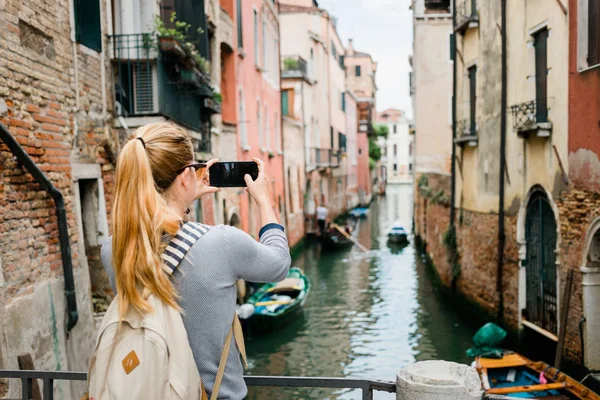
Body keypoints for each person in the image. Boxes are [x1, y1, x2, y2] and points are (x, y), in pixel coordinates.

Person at [100, 122, 291, 400]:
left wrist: (183, 199)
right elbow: (279, 263)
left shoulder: (113, 249)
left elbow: (162, 237)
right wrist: (263, 200)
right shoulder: (222, 242)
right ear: (186, 176)